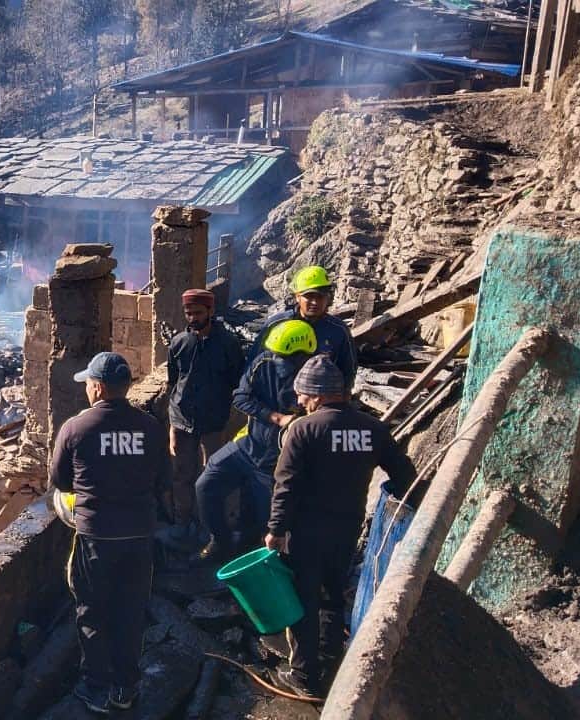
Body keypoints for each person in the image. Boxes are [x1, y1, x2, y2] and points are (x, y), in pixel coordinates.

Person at [266, 356, 416, 697]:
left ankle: (304, 677)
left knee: (303, 600)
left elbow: (285, 486)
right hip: (347, 530)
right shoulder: (372, 429)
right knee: (333, 596)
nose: (300, 402)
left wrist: (276, 530)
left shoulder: (304, 430)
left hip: (306, 533)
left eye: (303, 395)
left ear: (317, 395)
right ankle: (331, 663)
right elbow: (406, 475)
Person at [51, 352, 170, 714]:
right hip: (138, 535)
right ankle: (126, 688)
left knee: (92, 609)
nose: (87, 388)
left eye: (88, 382)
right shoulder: (149, 426)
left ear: (98, 388)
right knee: (131, 609)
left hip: (96, 536)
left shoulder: (76, 428)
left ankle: (97, 686)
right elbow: (163, 479)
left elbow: (60, 480)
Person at [195, 319, 315, 563]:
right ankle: (221, 541)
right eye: (276, 355)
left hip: (278, 465)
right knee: (206, 484)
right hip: (249, 446)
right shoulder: (264, 363)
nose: (278, 362)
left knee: (269, 523)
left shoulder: (316, 379)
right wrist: (275, 417)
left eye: (284, 358)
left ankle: (266, 567)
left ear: (303, 356)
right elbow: (240, 397)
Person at [164, 289, 245, 535]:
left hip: (214, 421)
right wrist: (172, 424)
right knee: (181, 473)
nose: (192, 318)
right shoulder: (179, 343)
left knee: (213, 474)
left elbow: (237, 381)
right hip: (182, 420)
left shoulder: (228, 344)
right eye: (188, 313)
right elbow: (173, 381)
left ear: (210, 311)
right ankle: (182, 522)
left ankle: (209, 524)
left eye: (198, 313)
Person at [252, 266, 358, 390]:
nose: (315, 302)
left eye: (320, 297)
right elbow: (255, 365)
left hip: (319, 400)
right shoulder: (276, 325)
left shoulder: (338, 331)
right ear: (297, 296)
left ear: (328, 297)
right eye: (309, 296)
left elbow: (349, 370)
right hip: (278, 398)